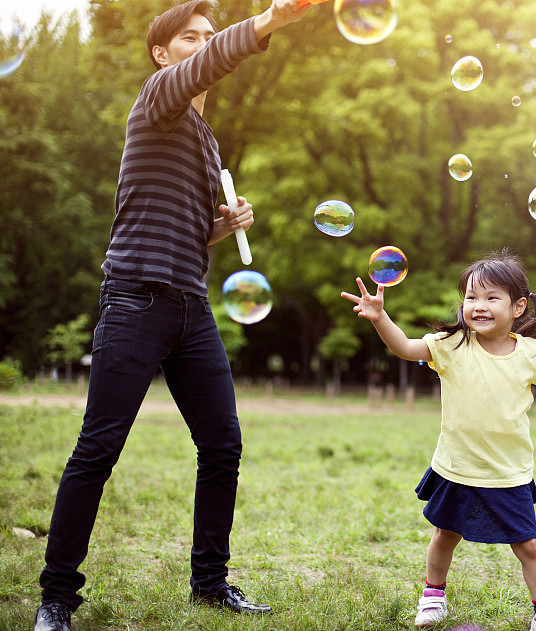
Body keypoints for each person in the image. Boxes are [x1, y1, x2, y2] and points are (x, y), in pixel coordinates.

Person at [33, 2, 311, 630]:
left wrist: (220, 227)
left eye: (208, 37)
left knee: (222, 446)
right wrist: (266, 20)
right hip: (135, 298)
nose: (204, 46)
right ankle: (56, 598)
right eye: (190, 38)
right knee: (98, 448)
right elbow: (215, 59)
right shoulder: (157, 96)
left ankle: (210, 584)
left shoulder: (206, 138)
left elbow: (183, 230)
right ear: (162, 54)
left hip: (190, 304)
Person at [341, 249, 536, 631]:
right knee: (444, 536)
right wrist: (380, 318)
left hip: (508, 471)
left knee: (528, 545)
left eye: (492, 297)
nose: (479, 305)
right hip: (457, 466)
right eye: (471, 297)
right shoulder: (452, 346)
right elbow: (405, 348)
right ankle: (433, 596)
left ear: (518, 307)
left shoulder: (529, 353)